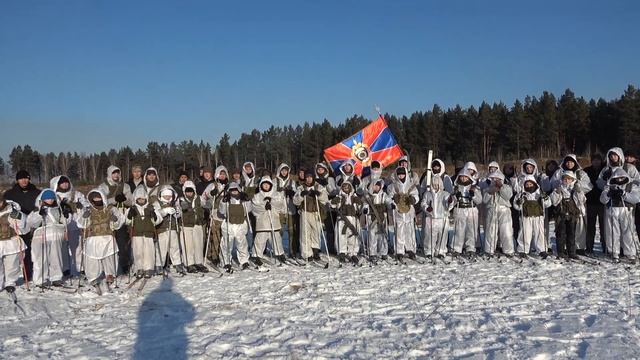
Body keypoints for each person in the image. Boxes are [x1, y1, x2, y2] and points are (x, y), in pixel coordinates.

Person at [77, 189, 125, 290]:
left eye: (99, 198)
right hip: (93, 238)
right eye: (95, 198)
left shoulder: (110, 209)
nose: (97, 200)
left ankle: (110, 274)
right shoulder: (88, 210)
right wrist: (84, 217)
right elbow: (81, 224)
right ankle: (93, 276)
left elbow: (118, 223)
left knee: (110, 256)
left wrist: (115, 220)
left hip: (107, 237)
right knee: (92, 258)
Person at [26, 189, 68, 288]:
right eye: (47, 198)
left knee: (56, 257)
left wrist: (66, 216)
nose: (50, 200)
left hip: (55, 236)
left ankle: (56, 277)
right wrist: (39, 214)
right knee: (41, 259)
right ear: (43, 199)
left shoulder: (58, 208)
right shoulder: (37, 209)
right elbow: (31, 223)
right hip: (41, 237)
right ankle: (40, 280)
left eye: (51, 198)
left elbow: (64, 222)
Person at [3, 170, 40, 279]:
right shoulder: (10, 193)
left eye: (26, 178)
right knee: (19, 251)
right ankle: (16, 275)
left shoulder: (37, 192)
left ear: (29, 179)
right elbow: (5, 208)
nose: (24, 180)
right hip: (17, 225)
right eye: (21, 178)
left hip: (33, 225)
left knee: (32, 250)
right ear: (17, 180)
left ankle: (30, 273)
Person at [599, 168, 640, 263]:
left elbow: (636, 198)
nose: (620, 180)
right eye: (618, 178)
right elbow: (602, 199)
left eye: (622, 178)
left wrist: (624, 194)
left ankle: (630, 253)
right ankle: (614, 252)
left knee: (628, 232)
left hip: (626, 210)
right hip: (613, 209)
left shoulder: (630, 185)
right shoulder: (609, 186)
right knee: (613, 231)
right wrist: (608, 195)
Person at [98, 165, 133, 275]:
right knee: (107, 244)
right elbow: (100, 202)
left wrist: (125, 200)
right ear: (109, 174)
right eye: (114, 173)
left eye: (118, 173)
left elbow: (131, 201)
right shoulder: (103, 187)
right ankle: (107, 268)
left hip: (121, 218)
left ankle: (124, 265)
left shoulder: (125, 186)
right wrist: (114, 199)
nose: (116, 175)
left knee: (122, 243)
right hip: (108, 218)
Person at [50, 175, 87, 276]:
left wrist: (81, 206)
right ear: (57, 184)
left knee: (77, 247)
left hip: (75, 224)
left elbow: (86, 206)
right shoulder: (54, 195)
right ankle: (65, 268)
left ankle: (81, 267)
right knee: (62, 248)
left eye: (66, 182)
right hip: (60, 226)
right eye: (62, 183)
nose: (65, 184)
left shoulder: (76, 194)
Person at [125, 187, 162, 279]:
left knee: (149, 251)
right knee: (138, 252)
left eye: (143, 199)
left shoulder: (151, 207)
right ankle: (139, 268)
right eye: (139, 199)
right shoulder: (132, 209)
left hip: (148, 234)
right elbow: (126, 221)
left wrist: (154, 215)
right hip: (137, 234)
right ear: (136, 199)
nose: (141, 201)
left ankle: (148, 268)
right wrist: (129, 216)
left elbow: (158, 220)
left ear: (146, 198)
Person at [293, 170, 329, 262]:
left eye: (310, 177)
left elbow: (325, 199)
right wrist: (301, 196)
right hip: (305, 212)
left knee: (316, 232)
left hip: (316, 213)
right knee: (305, 233)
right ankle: (307, 254)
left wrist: (319, 195)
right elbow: (295, 201)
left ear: (313, 178)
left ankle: (315, 251)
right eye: (307, 177)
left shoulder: (319, 187)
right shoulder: (301, 188)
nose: (309, 179)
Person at [251, 177, 287, 266]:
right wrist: (264, 206)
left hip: (274, 221)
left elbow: (280, 206)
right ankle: (256, 255)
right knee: (260, 240)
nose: (266, 186)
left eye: (268, 184)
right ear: (261, 185)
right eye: (264, 184)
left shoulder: (276, 195)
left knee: (276, 239)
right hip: (262, 223)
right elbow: (254, 209)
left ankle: (279, 253)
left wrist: (272, 202)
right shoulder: (257, 196)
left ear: (271, 185)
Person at [513, 175, 552, 259]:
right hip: (526, 217)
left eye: (530, 184)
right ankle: (523, 250)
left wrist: (545, 198)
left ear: (534, 184)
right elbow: (516, 206)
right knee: (525, 233)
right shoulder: (521, 194)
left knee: (540, 233)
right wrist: (519, 202)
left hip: (538, 216)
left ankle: (542, 250)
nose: (529, 186)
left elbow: (548, 204)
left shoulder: (539, 193)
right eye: (527, 185)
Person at [550, 171, 585, 260]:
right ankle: (561, 252)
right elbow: (554, 202)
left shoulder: (575, 189)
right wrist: (557, 193)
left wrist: (579, 191)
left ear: (572, 180)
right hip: (561, 215)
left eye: (569, 179)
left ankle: (571, 252)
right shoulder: (558, 188)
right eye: (565, 178)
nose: (566, 180)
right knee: (560, 234)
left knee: (571, 234)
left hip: (572, 215)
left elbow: (581, 201)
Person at [387, 167, 419, 261]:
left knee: (410, 232)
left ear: (406, 174)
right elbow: (388, 198)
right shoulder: (392, 186)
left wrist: (413, 199)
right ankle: (399, 251)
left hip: (409, 212)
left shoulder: (411, 185)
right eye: (399, 174)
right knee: (399, 232)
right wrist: (392, 202)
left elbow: (416, 196)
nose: (401, 176)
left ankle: (411, 250)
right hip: (398, 212)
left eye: (403, 174)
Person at [218, 182, 252, 272]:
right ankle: (225, 262)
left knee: (242, 244)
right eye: (232, 190)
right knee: (227, 244)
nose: (234, 192)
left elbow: (248, 210)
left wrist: (247, 200)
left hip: (240, 224)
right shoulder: (227, 200)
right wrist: (223, 202)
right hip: (229, 225)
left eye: (235, 190)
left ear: (239, 190)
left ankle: (244, 261)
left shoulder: (242, 199)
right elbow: (221, 211)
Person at [154, 186, 187, 275]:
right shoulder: (157, 204)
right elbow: (156, 215)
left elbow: (179, 215)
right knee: (161, 248)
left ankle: (178, 264)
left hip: (172, 228)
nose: (167, 198)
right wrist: (165, 211)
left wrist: (177, 212)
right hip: (162, 229)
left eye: (169, 196)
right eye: (165, 196)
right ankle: (159, 265)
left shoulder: (174, 203)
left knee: (175, 247)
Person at [449, 170, 482, 258]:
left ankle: (471, 248)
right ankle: (456, 248)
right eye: (461, 177)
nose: (463, 179)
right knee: (458, 230)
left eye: (465, 177)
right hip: (460, 209)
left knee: (471, 230)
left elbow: (479, 200)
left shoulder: (474, 187)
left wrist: (473, 196)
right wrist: (455, 197)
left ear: (469, 177)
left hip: (471, 209)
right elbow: (451, 201)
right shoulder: (455, 187)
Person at [482, 170, 514, 258]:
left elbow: (508, 196)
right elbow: (484, 200)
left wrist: (501, 188)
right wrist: (490, 192)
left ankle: (508, 250)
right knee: (491, 230)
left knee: (506, 230)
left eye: (497, 179)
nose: (495, 180)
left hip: (504, 209)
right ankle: (489, 250)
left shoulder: (507, 187)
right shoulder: (487, 189)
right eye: (493, 179)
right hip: (492, 209)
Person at [202, 165, 229, 267]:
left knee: (224, 236)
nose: (222, 176)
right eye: (220, 174)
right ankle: (214, 255)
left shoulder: (229, 185)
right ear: (217, 174)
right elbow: (203, 198)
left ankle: (224, 254)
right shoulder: (212, 185)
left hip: (227, 215)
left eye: (224, 174)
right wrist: (210, 196)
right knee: (215, 235)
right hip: (215, 213)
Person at [178, 181, 208, 273]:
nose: (189, 193)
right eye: (187, 191)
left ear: (194, 190)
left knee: (198, 244)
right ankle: (189, 263)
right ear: (184, 191)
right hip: (186, 226)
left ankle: (199, 262)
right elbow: (177, 212)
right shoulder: (181, 200)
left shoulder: (199, 198)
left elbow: (206, 203)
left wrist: (208, 205)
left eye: (191, 191)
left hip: (197, 224)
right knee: (188, 245)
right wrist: (180, 208)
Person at [330, 181, 363, 265]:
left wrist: (359, 202)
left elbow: (360, 208)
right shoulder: (339, 197)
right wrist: (334, 201)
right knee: (341, 236)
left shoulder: (354, 197)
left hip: (353, 218)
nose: (346, 189)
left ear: (350, 188)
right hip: (342, 219)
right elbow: (332, 205)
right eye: (344, 187)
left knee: (353, 236)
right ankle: (342, 252)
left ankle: (353, 253)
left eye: (347, 187)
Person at [0, 196, 28, 293]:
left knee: (12, 264)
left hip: (11, 241)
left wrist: (19, 216)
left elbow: (22, 225)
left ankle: (10, 283)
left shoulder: (11, 210)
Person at [420, 176, 452, 259]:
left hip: (442, 218)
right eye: (433, 185)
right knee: (430, 236)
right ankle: (429, 251)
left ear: (440, 184)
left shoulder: (445, 194)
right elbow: (423, 203)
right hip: (431, 218)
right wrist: (427, 208)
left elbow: (449, 204)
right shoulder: (428, 194)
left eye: (437, 185)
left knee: (443, 236)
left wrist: (450, 202)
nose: (435, 186)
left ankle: (441, 251)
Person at [362, 178, 391, 263]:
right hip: (372, 218)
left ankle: (383, 252)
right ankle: (372, 253)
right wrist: (365, 209)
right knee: (372, 236)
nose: (376, 188)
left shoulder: (383, 195)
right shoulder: (368, 196)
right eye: (375, 186)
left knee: (383, 234)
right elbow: (365, 204)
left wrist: (391, 205)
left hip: (382, 218)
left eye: (378, 186)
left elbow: (388, 201)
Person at [275, 163, 299, 260]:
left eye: (286, 170)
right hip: (279, 210)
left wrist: (292, 193)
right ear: (279, 171)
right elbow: (272, 194)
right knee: (279, 231)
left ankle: (292, 251)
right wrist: (280, 193)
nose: (284, 172)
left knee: (291, 231)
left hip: (290, 209)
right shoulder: (275, 181)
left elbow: (296, 194)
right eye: (282, 170)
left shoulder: (292, 182)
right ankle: (279, 251)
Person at [584, 154, 606, 254]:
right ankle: (589, 247)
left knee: (604, 226)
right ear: (591, 161)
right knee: (590, 226)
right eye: (594, 160)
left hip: (602, 203)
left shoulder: (605, 170)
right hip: (590, 202)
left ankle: (605, 247)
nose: (596, 162)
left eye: (598, 160)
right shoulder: (586, 171)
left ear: (601, 161)